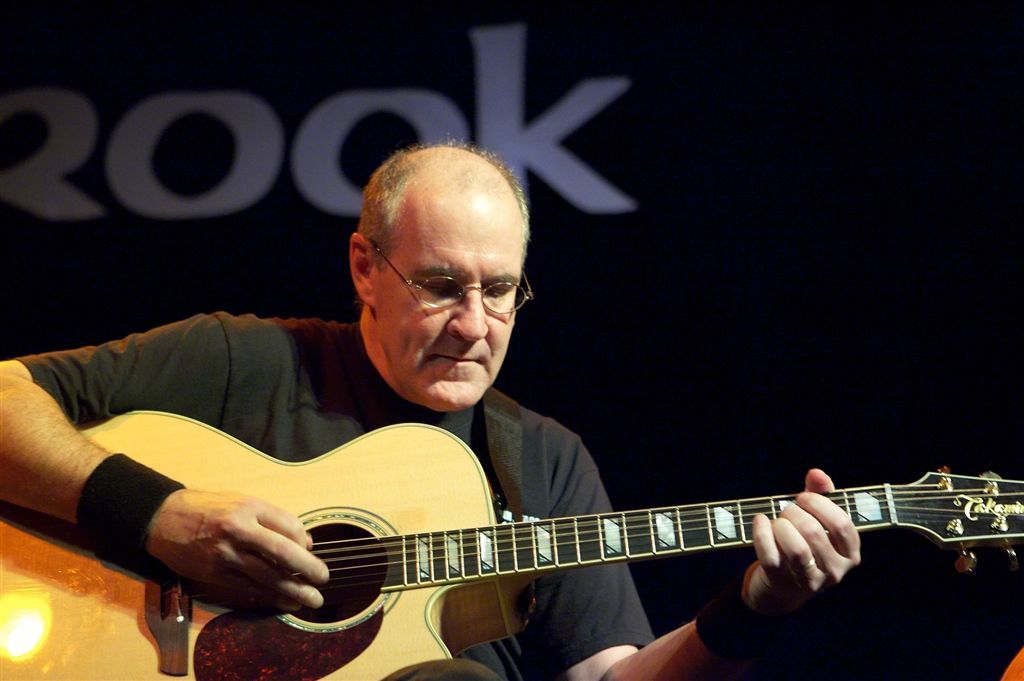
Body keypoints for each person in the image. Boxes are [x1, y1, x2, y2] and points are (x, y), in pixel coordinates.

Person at [0, 142, 860, 680]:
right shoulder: (240, 361)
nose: (475, 325)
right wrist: (158, 514)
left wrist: (753, 605)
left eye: (501, 290)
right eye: (442, 285)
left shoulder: (545, 458)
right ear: (364, 269)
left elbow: (608, 677)